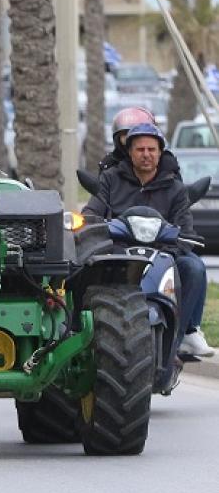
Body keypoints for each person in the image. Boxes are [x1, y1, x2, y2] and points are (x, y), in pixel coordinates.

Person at [82, 123, 213, 358]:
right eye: (140, 149)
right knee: (78, 267)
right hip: (118, 254)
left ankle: (183, 336)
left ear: (160, 152)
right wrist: (92, 227)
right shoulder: (111, 180)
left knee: (194, 267)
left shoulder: (175, 187)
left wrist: (174, 248)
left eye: (151, 149)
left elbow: (186, 230)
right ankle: (76, 329)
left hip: (163, 255)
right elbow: (92, 213)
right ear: (130, 152)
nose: (146, 155)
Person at [98, 106, 181, 178]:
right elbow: (101, 192)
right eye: (125, 134)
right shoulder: (109, 163)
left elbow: (176, 191)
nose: (130, 138)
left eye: (136, 135)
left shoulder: (166, 162)